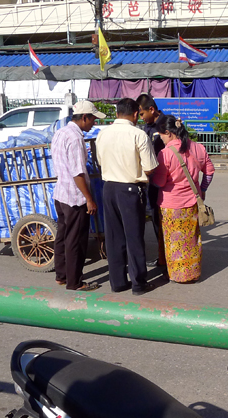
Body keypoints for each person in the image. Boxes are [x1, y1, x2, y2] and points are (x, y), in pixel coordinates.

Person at [95, 97, 159, 295]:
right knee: (134, 237)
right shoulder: (138, 135)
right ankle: (139, 283)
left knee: (114, 237)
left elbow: (99, 161)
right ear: (134, 114)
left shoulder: (102, 134)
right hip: (130, 189)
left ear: (116, 114)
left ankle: (118, 282)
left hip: (109, 188)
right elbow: (149, 168)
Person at [51, 100, 105, 292]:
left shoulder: (61, 132)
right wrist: (89, 199)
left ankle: (62, 275)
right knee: (76, 240)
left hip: (61, 193)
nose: (94, 124)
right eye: (92, 120)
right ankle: (75, 282)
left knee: (63, 237)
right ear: (84, 118)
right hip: (74, 197)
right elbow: (78, 173)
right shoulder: (75, 139)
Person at [149, 116, 209, 283]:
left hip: (171, 206)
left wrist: (151, 178)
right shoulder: (198, 148)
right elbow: (209, 172)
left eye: (161, 135)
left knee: (174, 242)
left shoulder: (165, 153)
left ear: (168, 133)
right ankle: (192, 273)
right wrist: (202, 190)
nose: (160, 138)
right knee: (191, 240)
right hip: (192, 204)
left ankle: (178, 275)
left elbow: (160, 182)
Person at [136, 94, 172, 268]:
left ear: (151, 109)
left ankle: (168, 258)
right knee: (157, 221)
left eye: (141, 114)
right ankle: (163, 257)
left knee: (165, 221)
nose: (140, 118)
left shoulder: (167, 124)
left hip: (165, 182)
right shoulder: (146, 127)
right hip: (150, 183)